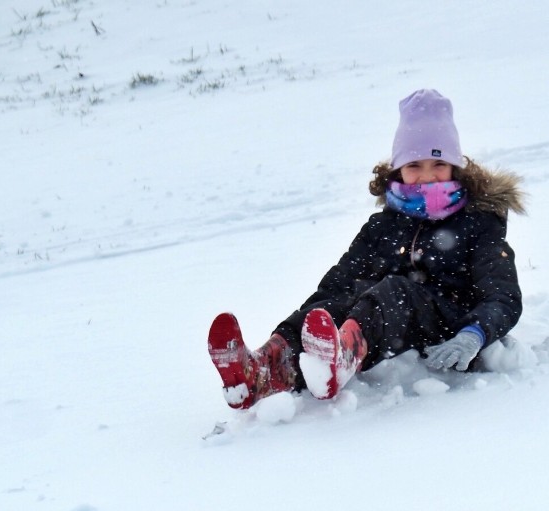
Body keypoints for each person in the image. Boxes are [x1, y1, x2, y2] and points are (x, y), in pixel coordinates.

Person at [207, 89, 525, 409]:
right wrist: (310, 321)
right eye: (415, 164)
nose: (427, 176)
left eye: (438, 163)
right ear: (398, 168)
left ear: (456, 167)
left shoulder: (479, 223)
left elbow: (503, 295)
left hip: (451, 329)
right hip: (388, 319)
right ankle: (264, 368)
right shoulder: (382, 226)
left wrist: (475, 332)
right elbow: (340, 280)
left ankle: (342, 358)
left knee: (393, 291)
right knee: (342, 295)